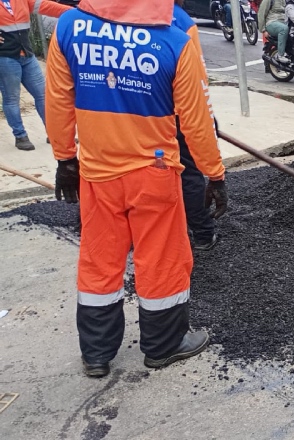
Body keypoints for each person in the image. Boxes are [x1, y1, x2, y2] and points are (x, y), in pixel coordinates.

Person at [45, 0, 228, 378]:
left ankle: (96, 354)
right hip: (154, 173)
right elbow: (196, 121)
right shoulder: (176, 41)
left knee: (100, 261)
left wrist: (65, 159)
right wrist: (215, 173)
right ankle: (163, 346)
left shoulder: (69, 28)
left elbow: (58, 99)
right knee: (160, 258)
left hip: (97, 172)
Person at [174, 0, 223, 251]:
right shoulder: (180, 22)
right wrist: (216, 175)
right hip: (173, 115)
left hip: (126, 116)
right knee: (188, 172)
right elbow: (196, 83)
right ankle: (203, 234)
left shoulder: (110, 14)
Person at [0, 0, 72, 151]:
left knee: (43, 95)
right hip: (5, 57)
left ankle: (54, 134)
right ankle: (20, 136)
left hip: (27, 54)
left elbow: (48, 6)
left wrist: (79, 12)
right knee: (12, 98)